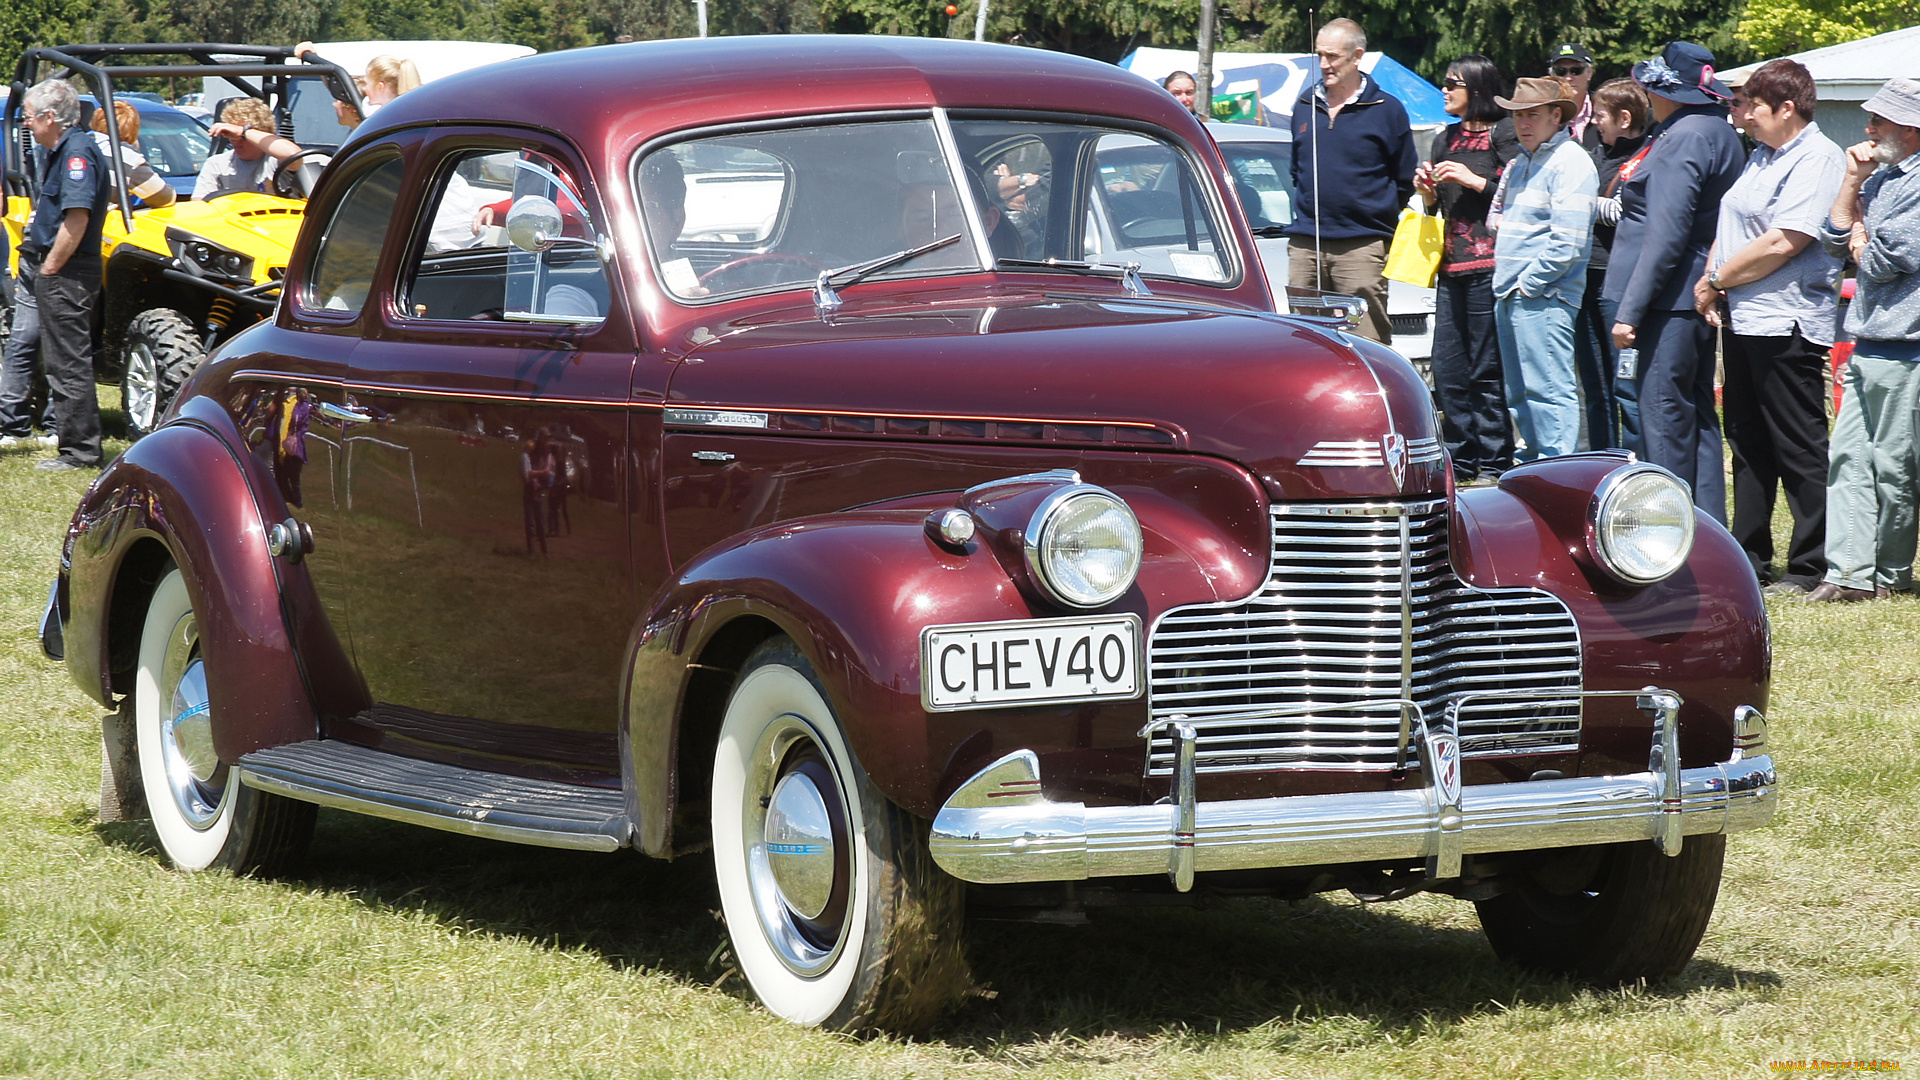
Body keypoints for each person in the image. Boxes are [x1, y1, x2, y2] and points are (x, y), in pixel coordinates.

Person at [1693, 60, 1844, 596]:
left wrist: (1716, 279)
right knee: (1748, 442)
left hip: (1788, 321)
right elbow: (1733, 223)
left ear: (1786, 107)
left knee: (1799, 445)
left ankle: (1813, 566)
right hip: (1747, 319)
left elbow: (1785, 241)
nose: (1744, 116)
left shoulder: (1818, 159)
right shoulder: (1762, 156)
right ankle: (1750, 560)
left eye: (1752, 105)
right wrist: (1717, 274)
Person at [1605, 42, 1744, 523]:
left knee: (1663, 420)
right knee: (1696, 416)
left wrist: (1630, 309)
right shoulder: (1715, 131)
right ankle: (1708, 532)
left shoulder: (1685, 136)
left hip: (1667, 301)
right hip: (1689, 297)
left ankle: (1673, 539)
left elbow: (1666, 234)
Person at [1806, 79, 1920, 602]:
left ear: (1911, 129)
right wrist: (1852, 182)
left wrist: (1860, 241)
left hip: (1908, 350)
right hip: (1868, 341)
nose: (1868, 130)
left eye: (1879, 120)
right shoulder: (1879, 181)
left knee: (1895, 466)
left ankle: (1891, 573)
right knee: (1848, 457)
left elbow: (1891, 259)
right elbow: (1834, 242)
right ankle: (1847, 574)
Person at [1416, 54, 1520, 483]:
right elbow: (1437, 207)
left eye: (1451, 83)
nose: (1443, 90)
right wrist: (1427, 192)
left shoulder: (1504, 133)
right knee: (1449, 369)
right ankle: (1460, 460)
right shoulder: (1444, 138)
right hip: (1451, 266)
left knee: (1485, 369)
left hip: (1490, 266)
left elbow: (1517, 192)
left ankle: (1495, 463)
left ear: (1476, 89)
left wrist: (1472, 179)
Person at [1286, 17, 1418, 344]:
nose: (1324, 65)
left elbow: (1405, 178)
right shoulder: (1304, 105)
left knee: (1367, 342)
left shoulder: (1388, 109)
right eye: (1319, 55)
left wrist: (1374, 215)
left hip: (1362, 245)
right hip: (1306, 243)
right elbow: (1296, 170)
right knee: (1303, 343)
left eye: (1333, 57)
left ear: (1357, 56)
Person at [1489, 78, 1597, 461]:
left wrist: (1528, 284)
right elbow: (1495, 215)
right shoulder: (1520, 162)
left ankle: (1557, 474)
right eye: (1518, 115)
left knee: (1548, 390)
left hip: (1543, 295)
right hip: (1513, 291)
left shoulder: (1570, 162)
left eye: (1532, 114)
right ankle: (1533, 473)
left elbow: (1567, 242)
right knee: (1520, 394)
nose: (1523, 123)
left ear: (1556, 115)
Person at [15, 78, 108, 472]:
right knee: (60, 361)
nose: (26, 124)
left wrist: (50, 269)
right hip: (58, 268)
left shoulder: (77, 153)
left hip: (67, 270)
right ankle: (75, 447)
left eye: (30, 117)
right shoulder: (61, 150)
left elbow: (77, 216)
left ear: (51, 118)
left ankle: (80, 452)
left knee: (68, 362)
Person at [1576, 79, 1652, 450]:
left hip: (1618, 283)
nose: (1595, 123)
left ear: (1625, 118)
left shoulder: (1644, 159)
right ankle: (1600, 460)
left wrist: (1576, 203)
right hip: (1584, 277)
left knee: (1625, 383)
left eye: (1601, 115)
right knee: (1594, 382)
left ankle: (1636, 462)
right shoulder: (1594, 157)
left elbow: (1626, 212)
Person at [195, 98, 304, 200]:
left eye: (241, 137)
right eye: (231, 135)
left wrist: (244, 132)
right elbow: (199, 205)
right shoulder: (217, 164)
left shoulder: (277, 161)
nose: (235, 141)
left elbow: (293, 155)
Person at [90, 100, 176, 209]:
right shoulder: (126, 157)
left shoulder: (78, 143)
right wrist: (133, 148)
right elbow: (165, 198)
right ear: (133, 130)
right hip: (98, 224)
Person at [1548, 43, 1602, 150]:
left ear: (1590, 73)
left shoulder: (1605, 109)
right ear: (1553, 77)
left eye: (1576, 71)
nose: (1568, 78)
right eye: (1561, 72)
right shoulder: (1544, 113)